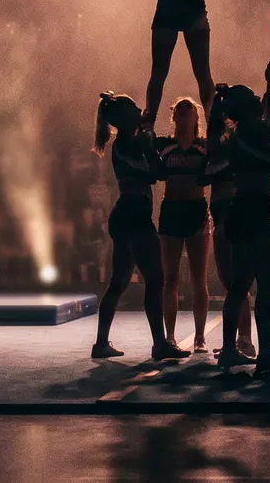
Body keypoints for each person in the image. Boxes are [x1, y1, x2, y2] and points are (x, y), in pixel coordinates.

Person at [90, 93, 188, 361]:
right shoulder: (126, 144)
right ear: (124, 119)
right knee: (154, 280)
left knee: (118, 282)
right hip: (134, 218)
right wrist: (149, 141)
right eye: (135, 108)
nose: (140, 110)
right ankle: (159, 344)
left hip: (128, 217)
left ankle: (101, 343)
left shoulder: (128, 142)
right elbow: (157, 174)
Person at [211, 84, 270, 371]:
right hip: (255, 214)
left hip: (240, 211)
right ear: (248, 107)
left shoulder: (234, 134)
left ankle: (228, 350)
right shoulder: (252, 132)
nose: (260, 101)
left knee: (238, 287)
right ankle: (266, 353)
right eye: (255, 99)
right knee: (267, 284)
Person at [155, 97, 213, 352]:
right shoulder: (165, 146)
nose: (183, 114)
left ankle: (200, 336)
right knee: (170, 277)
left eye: (188, 110)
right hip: (171, 211)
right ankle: (170, 336)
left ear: (196, 118)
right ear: (174, 117)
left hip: (196, 211)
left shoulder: (204, 147)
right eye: (179, 110)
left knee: (198, 277)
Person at [203, 96, 255, 356]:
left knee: (237, 282)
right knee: (230, 281)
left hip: (233, 214)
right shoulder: (216, 148)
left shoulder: (238, 143)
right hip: (222, 213)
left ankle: (244, 340)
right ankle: (241, 339)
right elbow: (204, 176)